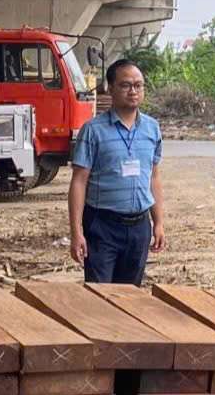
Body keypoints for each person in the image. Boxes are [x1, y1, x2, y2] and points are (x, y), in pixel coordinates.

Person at [68, 59, 165, 284]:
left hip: (139, 227)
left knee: (130, 296)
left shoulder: (152, 128)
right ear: (110, 88)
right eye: (125, 85)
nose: (133, 91)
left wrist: (158, 223)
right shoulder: (93, 130)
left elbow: (154, 177)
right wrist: (76, 232)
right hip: (102, 226)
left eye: (138, 85)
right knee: (100, 295)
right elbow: (79, 181)